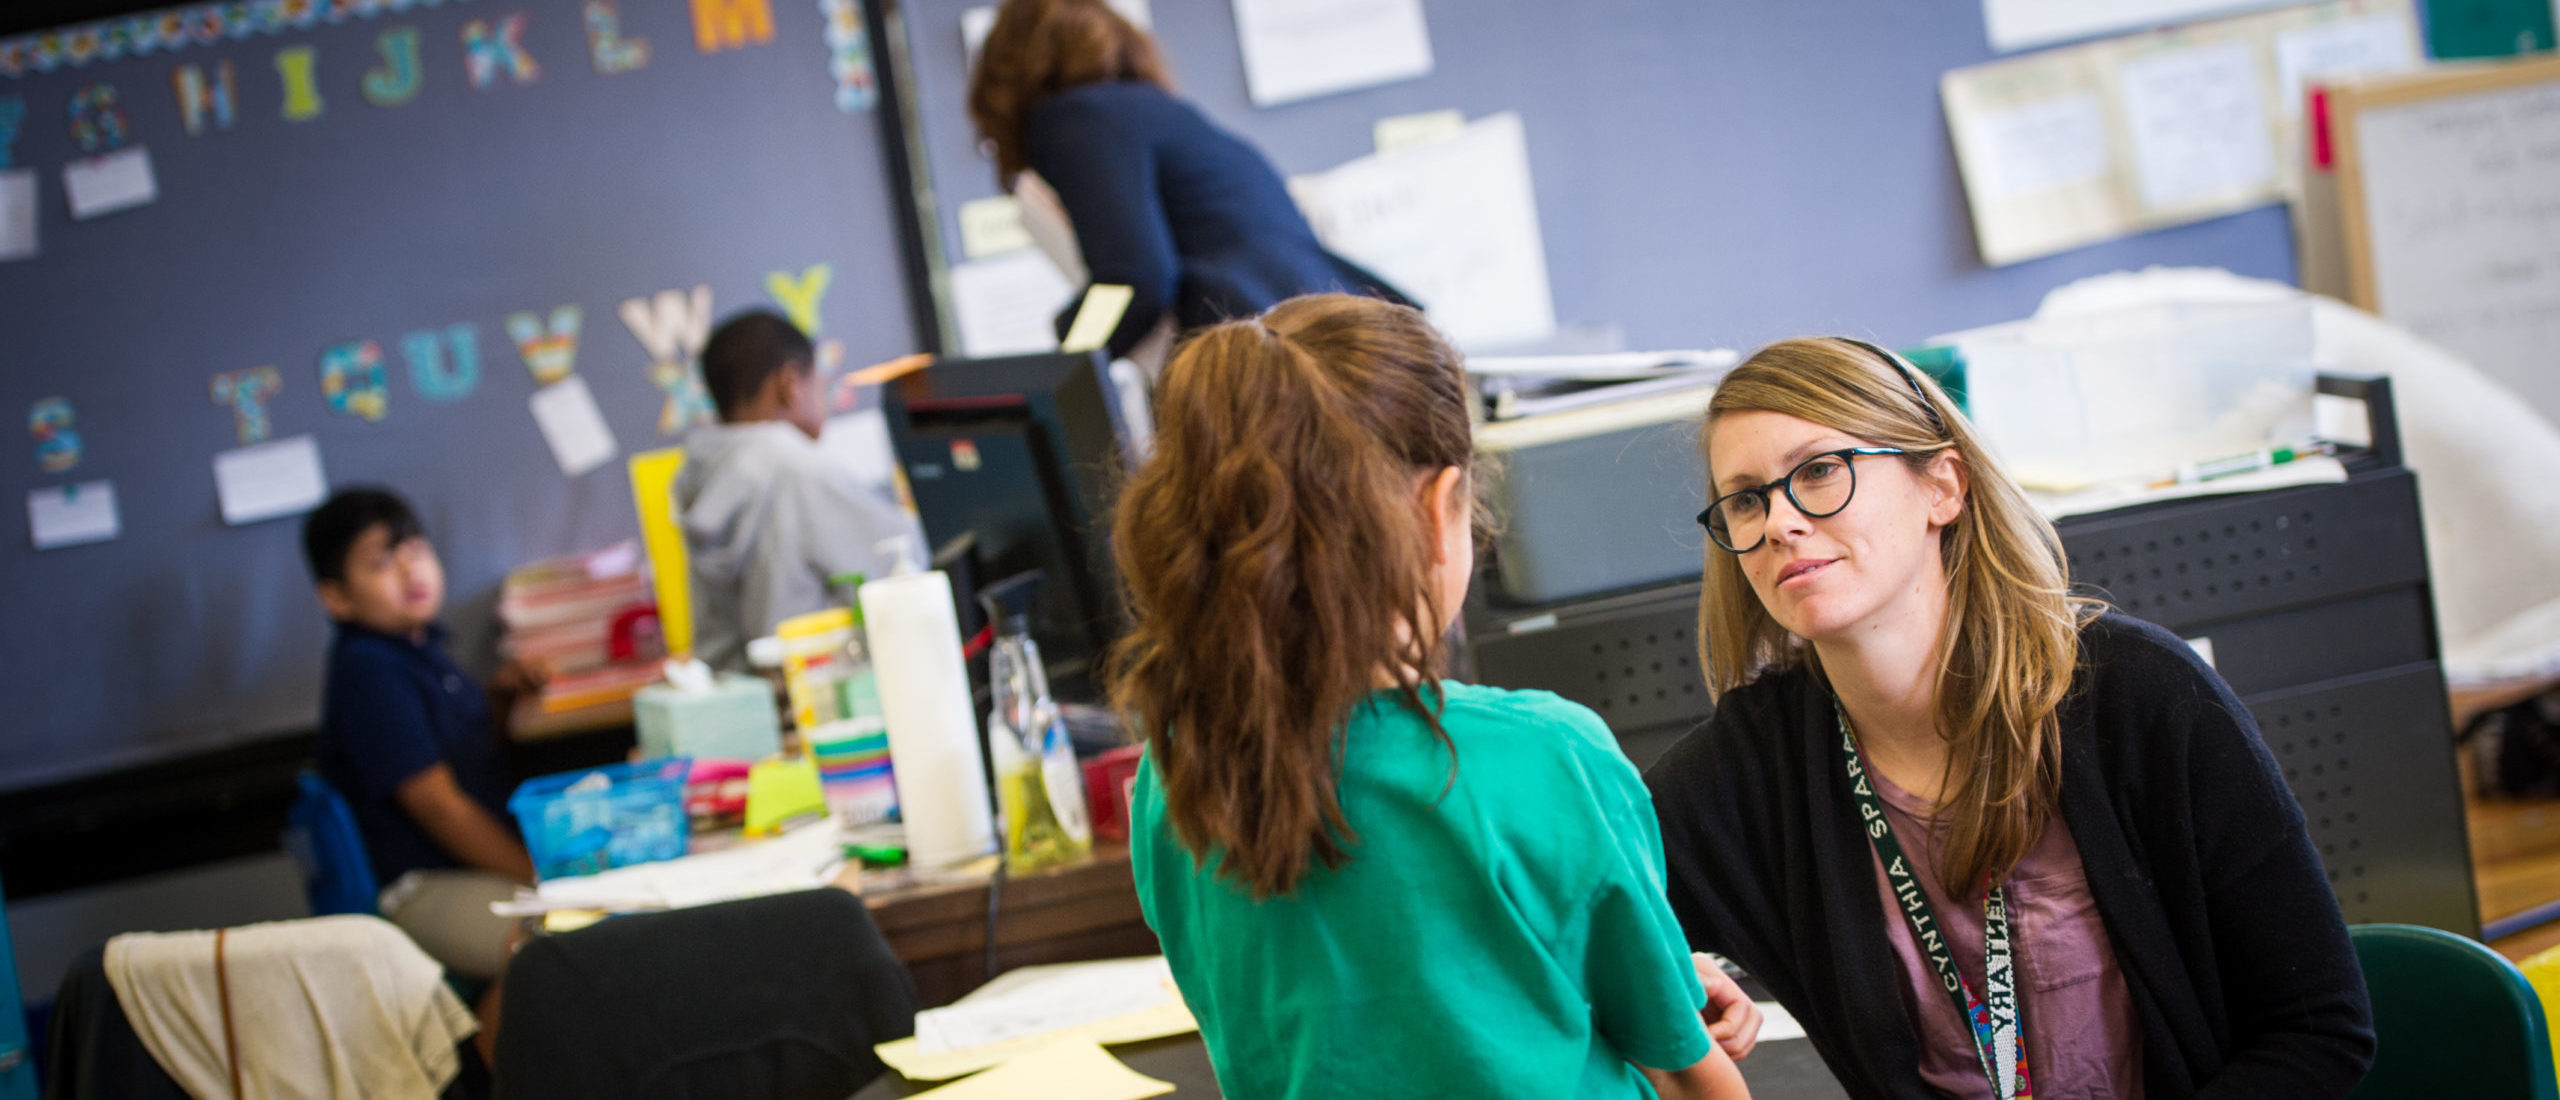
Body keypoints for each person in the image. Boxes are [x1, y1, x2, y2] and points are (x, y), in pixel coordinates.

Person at [1646, 337, 2375, 1098]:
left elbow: (2319, 1029)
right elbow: (1571, 938)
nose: (1780, 523)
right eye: (1746, 499)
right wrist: (1665, 971)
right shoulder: (1749, 769)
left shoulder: (2140, 697)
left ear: (1944, 488)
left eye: (1821, 471)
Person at [1112, 294, 1755, 1099]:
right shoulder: (1546, 757)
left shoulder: (1177, 778)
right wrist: (1668, 1005)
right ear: (1434, 508)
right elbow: (1689, 1073)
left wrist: (1641, 970)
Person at [967, 0, 1409, 366]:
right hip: (1326, 334)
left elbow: (1133, 276)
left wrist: (1073, 353)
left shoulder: (1076, 121)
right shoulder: (1163, 112)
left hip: (1258, 349)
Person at [304, 487, 538, 984]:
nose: (411, 571)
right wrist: (539, 878)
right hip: (422, 885)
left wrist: (497, 701)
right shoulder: (370, 671)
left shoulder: (421, 646)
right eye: (383, 562)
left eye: (416, 551)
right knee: (554, 943)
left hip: (469, 868)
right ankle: (482, 1065)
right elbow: (439, 806)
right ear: (336, 596)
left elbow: (465, 755)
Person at [677, 310, 910, 673]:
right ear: (789, 384)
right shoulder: (791, 465)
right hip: (813, 698)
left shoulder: (703, 467)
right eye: (819, 384)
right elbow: (902, 561)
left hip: (744, 701)